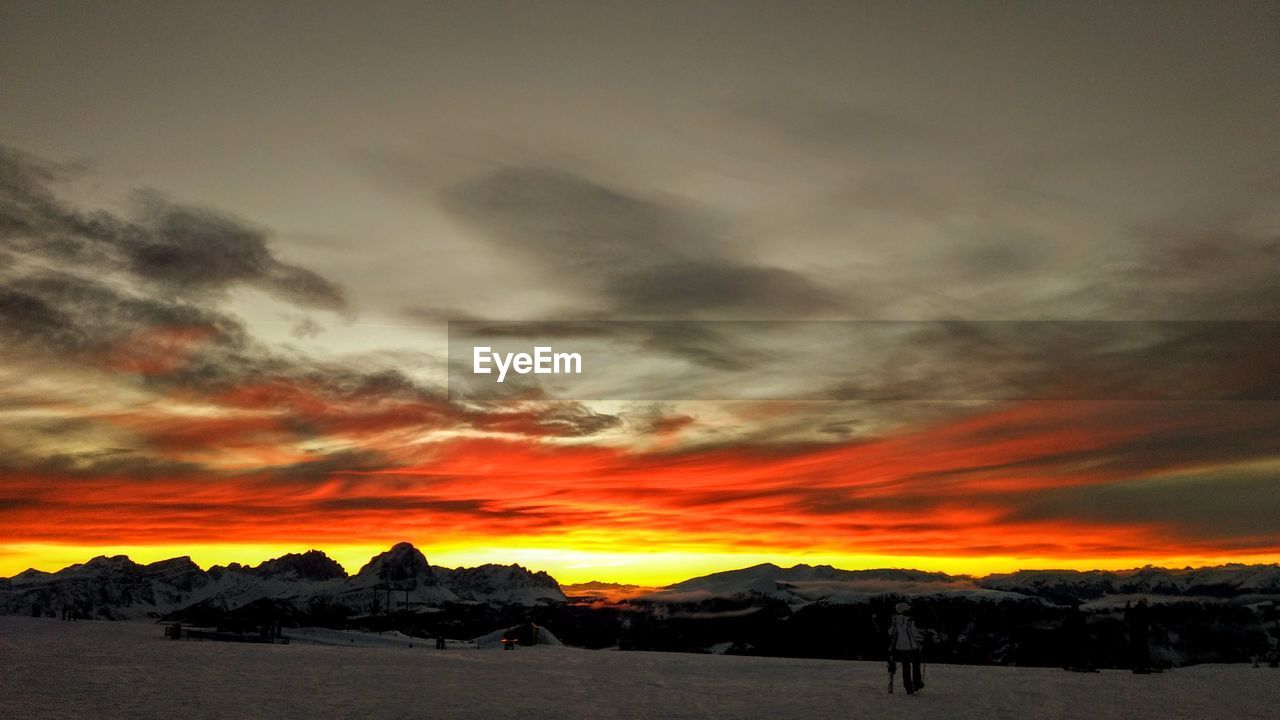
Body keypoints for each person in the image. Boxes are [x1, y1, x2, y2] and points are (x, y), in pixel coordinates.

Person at [889, 601, 925, 694]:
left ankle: (908, 687)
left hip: (901, 648)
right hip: (912, 647)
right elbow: (914, 633)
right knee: (916, 666)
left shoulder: (895, 620)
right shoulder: (910, 620)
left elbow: (891, 633)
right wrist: (922, 639)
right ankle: (917, 684)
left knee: (906, 667)